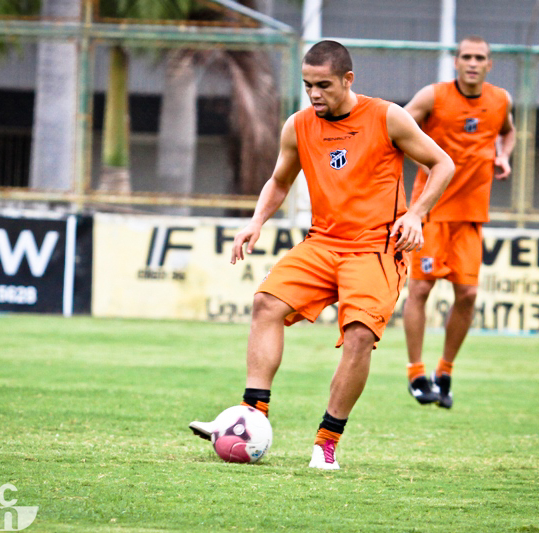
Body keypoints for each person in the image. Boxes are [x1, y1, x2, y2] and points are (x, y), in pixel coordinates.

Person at [189, 40, 454, 469]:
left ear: (348, 80)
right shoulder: (298, 125)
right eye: (308, 84)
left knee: (359, 337)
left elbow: (443, 163)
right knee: (266, 304)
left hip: (375, 250)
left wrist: (418, 214)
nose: (314, 94)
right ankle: (250, 417)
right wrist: (255, 221)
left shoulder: (387, 117)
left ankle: (326, 443)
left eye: (324, 85)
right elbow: (279, 180)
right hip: (322, 243)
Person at [402, 36, 516, 409]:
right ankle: (416, 373)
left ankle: (445, 371)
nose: (472, 62)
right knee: (420, 290)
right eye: (466, 56)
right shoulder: (433, 96)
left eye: (479, 57)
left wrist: (504, 156)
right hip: (431, 211)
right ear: (456, 61)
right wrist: (423, 162)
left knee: (467, 295)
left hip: (470, 215)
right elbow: (398, 126)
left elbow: (508, 131)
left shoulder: (500, 101)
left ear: (489, 64)